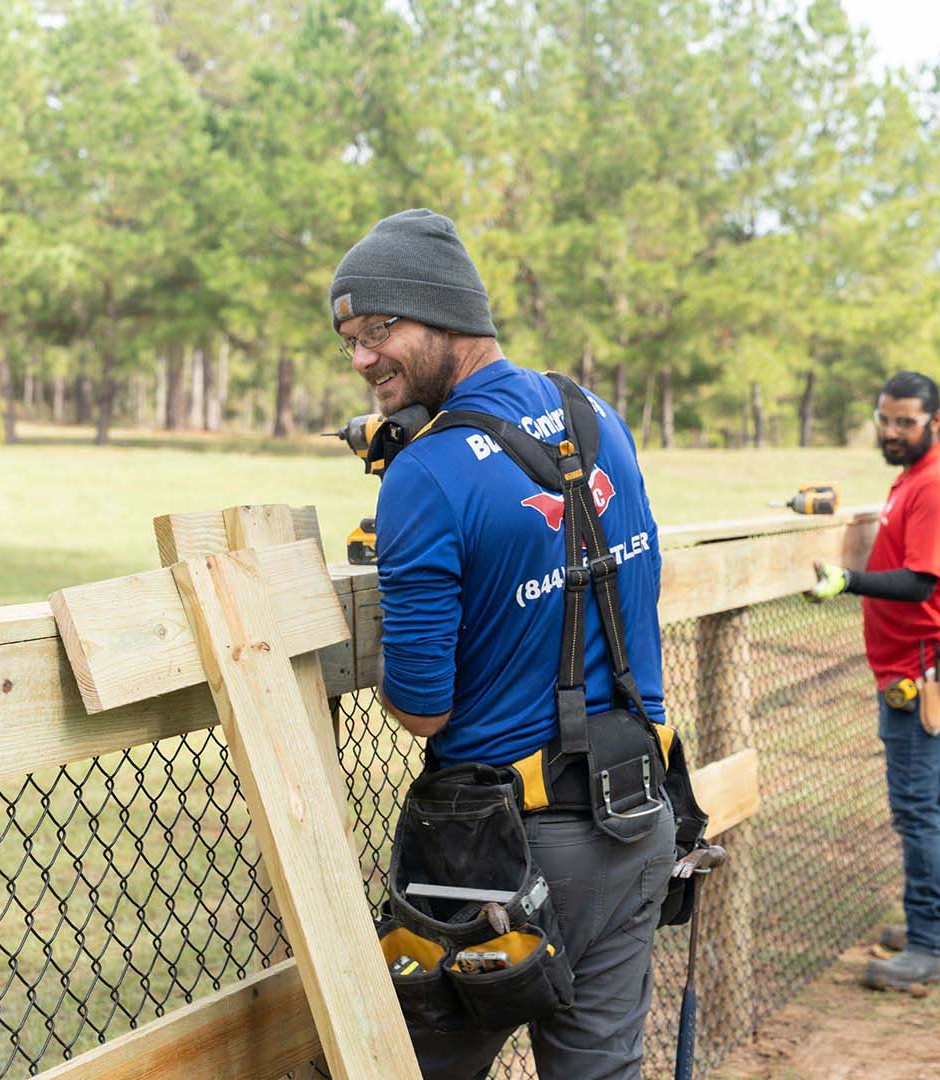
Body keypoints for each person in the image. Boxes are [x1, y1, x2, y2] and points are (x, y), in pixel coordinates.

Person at [330, 208, 675, 1079]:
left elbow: (422, 708)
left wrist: (414, 529)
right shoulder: (594, 412)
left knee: (411, 1067)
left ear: (445, 313)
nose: (362, 359)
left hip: (505, 858)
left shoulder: (425, 474)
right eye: (350, 341)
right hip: (637, 813)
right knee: (601, 1067)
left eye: (379, 331)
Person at [802, 371, 940, 990]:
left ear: (935, 422)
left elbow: (921, 581)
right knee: (935, 798)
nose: (892, 431)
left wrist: (848, 581)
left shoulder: (934, 486)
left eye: (906, 422)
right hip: (926, 660)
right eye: (885, 419)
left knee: (916, 807)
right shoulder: (928, 475)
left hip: (920, 671)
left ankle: (931, 945)